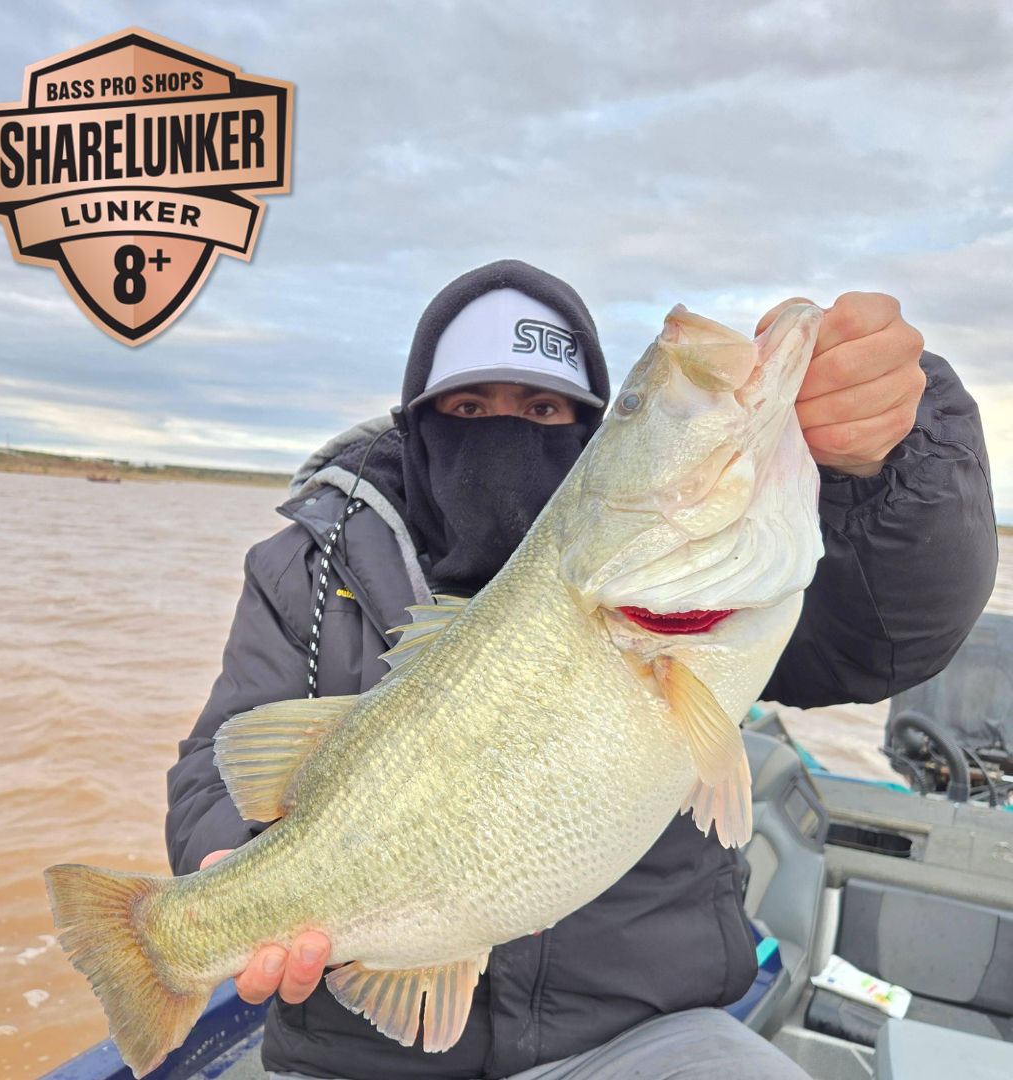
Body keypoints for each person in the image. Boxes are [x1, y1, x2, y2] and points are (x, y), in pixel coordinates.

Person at [166, 259, 997, 1080]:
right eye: (468, 407)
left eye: (543, 408)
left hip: (644, 1029)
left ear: (590, 436)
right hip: (359, 1057)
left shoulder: (732, 576)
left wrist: (887, 458)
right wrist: (234, 873)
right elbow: (217, 764)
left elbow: (889, 637)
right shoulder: (306, 563)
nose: (505, 430)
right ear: (419, 423)